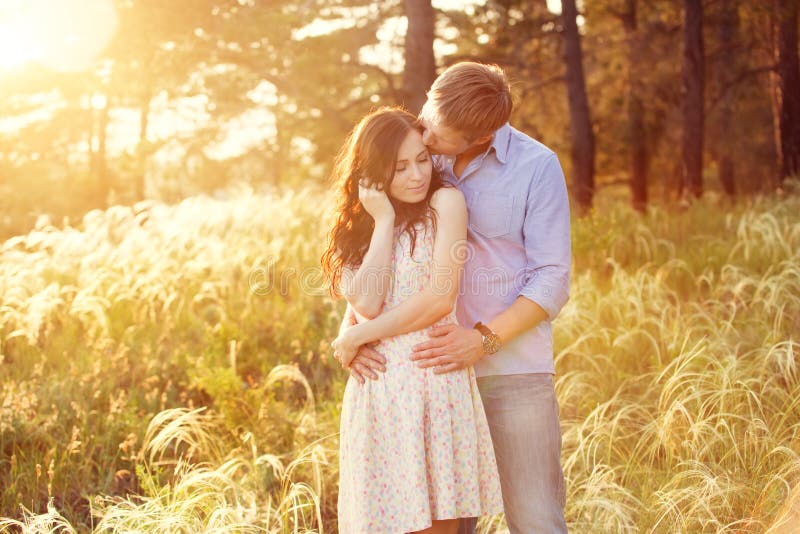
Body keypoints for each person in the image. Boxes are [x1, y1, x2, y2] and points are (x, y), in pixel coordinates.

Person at [339, 63, 572, 533]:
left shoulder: (536, 167)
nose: (423, 136)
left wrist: (483, 339)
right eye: (425, 116)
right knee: (448, 520)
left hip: (508, 368)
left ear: (479, 139)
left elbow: (551, 279)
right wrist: (351, 332)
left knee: (534, 518)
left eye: (436, 137)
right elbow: (389, 258)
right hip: (428, 374)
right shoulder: (422, 158)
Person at [322, 106, 504, 534]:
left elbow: (440, 297)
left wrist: (357, 337)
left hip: (431, 385)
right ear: (371, 175)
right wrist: (383, 221)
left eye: (421, 159)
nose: (416, 175)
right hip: (379, 398)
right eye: (399, 167)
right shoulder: (359, 227)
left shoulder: (446, 202)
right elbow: (366, 301)